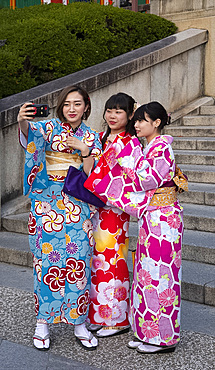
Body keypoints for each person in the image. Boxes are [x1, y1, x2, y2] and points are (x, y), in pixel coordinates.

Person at [87, 101, 188, 352]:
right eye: (137, 120)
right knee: (146, 276)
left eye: (143, 120)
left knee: (160, 278)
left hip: (164, 220)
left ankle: (163, 339)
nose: (137, 124)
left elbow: (147, 180)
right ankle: (147, 332)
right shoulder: (150, 147)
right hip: (153, 218)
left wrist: (125, 155)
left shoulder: (162, 147)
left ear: (157, 123)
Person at [18, 85, 102, 351]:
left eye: (77, 104)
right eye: (66, 104)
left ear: (86, 107)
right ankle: (43, 322)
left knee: (79, 262)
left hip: (77, 203)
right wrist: (22, 121)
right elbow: (29, 137)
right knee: (45, 261)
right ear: (60, 107)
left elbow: (94, 175)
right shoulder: (49, 127)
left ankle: (78, 322)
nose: (71, 109)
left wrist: (84, 150)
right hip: (47, 202)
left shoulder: (92, 136)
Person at [84, 92, 136, 337]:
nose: (113, 116)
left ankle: (117, 318)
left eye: (119, 111)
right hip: (98, 207)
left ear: (130, 114)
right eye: (109, 110)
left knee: (113, 259)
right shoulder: (103, 137)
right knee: (98, 261)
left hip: (114, 208)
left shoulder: (129, 142)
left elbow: (125, 179)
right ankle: (98, 314)